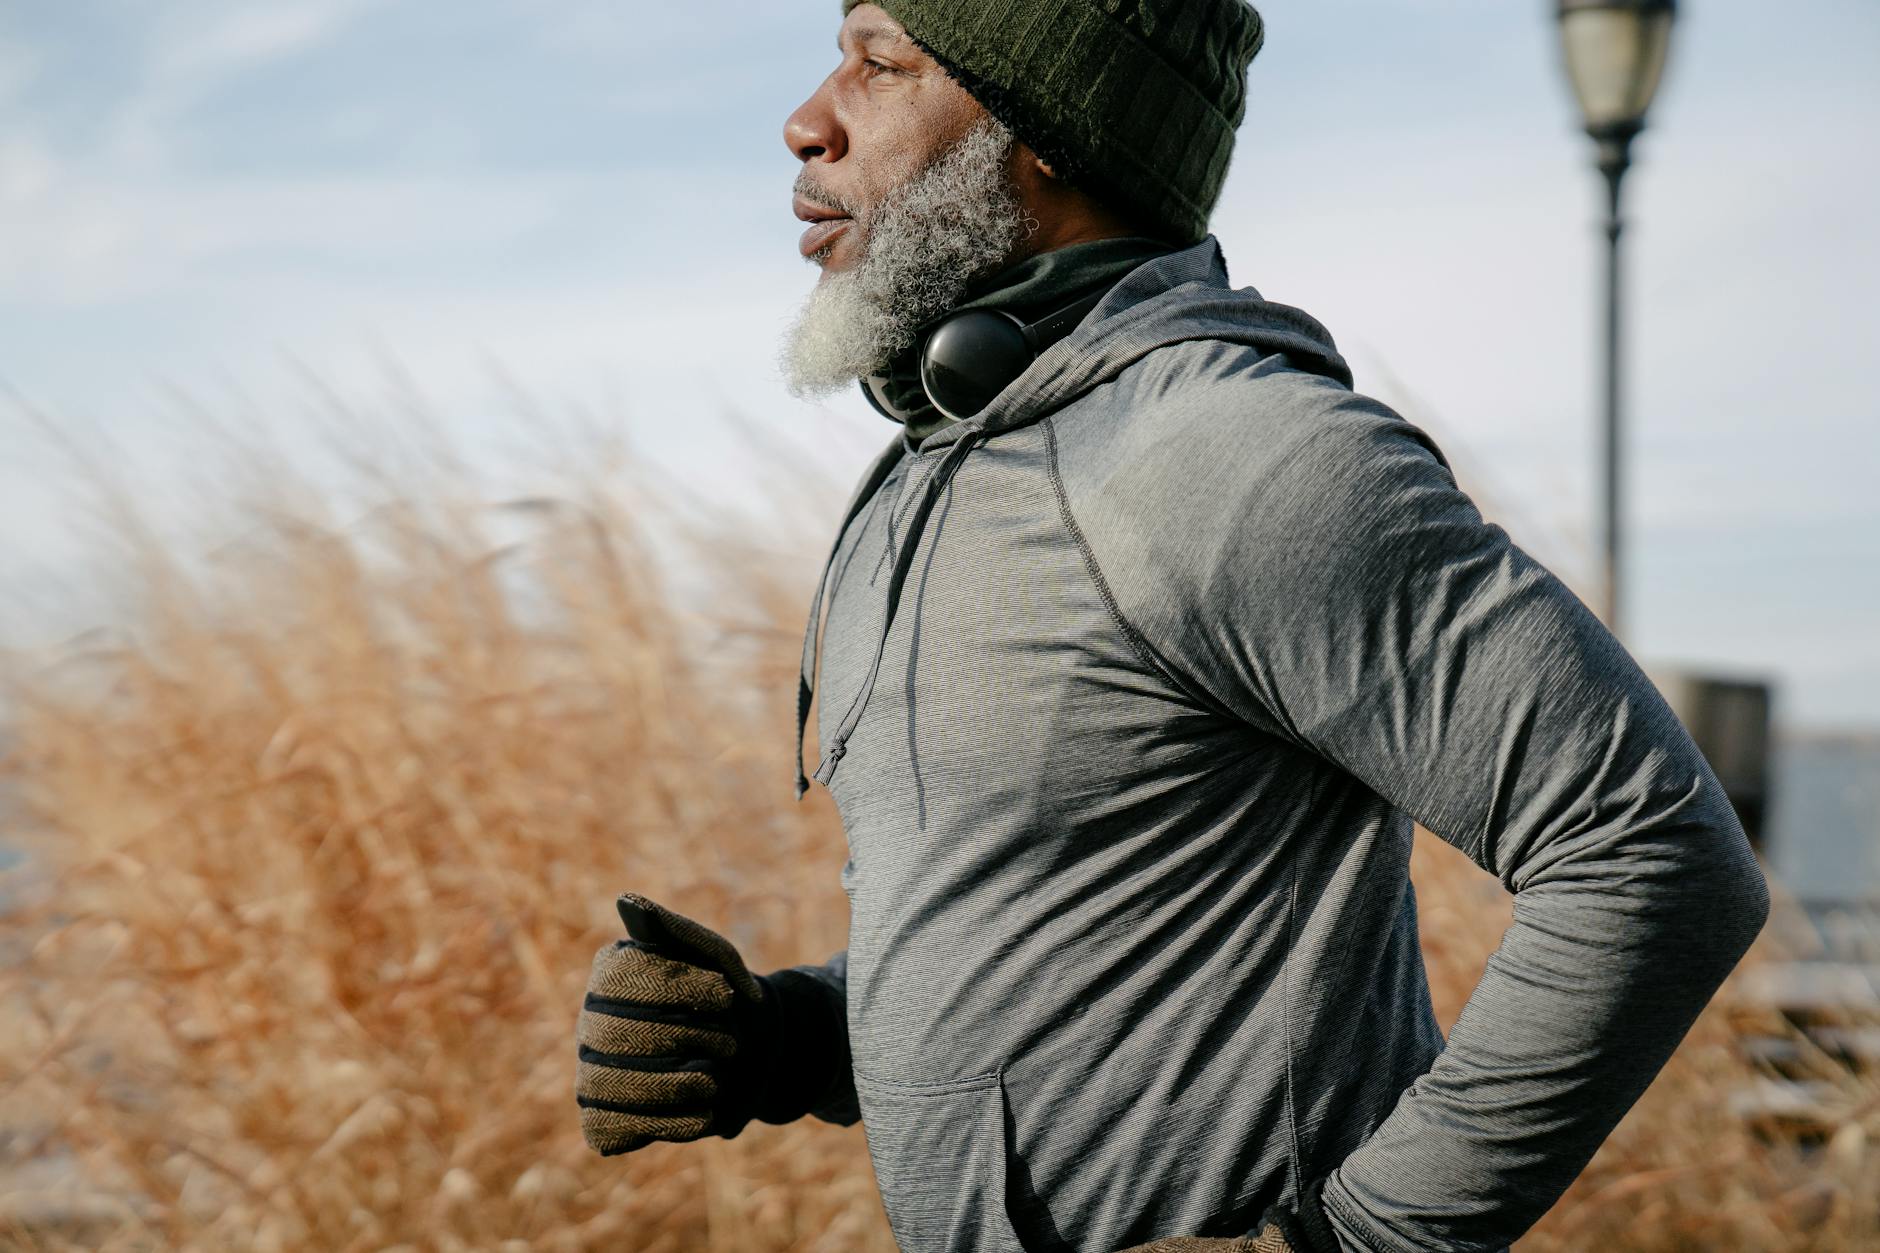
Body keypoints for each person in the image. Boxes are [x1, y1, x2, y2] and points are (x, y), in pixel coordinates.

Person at [572, 3, 1772, 1250]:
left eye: (880, 63)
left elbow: (1652, 852)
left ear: (1048, 134)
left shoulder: (1239, 457)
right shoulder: (940, 464)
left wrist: (1357, 1238)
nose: (807, 120)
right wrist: (786, 1038)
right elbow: (1052, 949)